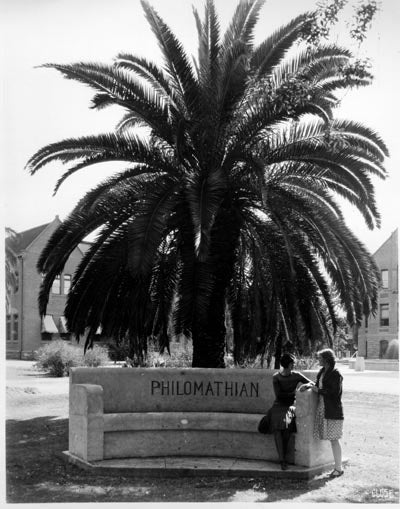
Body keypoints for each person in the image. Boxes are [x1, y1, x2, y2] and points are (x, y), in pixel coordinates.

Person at [260, 353, 314, 470]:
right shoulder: (276, 377)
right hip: (278, 406)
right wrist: (296, 392)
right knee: (278, 429)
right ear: (289, 365)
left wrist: (305, 386)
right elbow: (279, 395)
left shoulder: (297, 375)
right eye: (292, 364)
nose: (294, 365)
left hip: (290, 407)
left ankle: (283, 457)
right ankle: (282, 460)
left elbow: (312, 383)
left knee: (287, 428)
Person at [311, 348, 344, 478]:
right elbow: (316, 385)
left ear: (326, 360)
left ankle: (338, 468)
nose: (318, 360)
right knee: (330, 439)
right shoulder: (322, 372)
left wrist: (318, 390)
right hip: (323, 410)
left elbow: (334, 393)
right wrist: (309, 386)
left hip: (333, 411)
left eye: (320, 358)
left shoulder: (336, 374)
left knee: (334, 439)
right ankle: (335, 467)